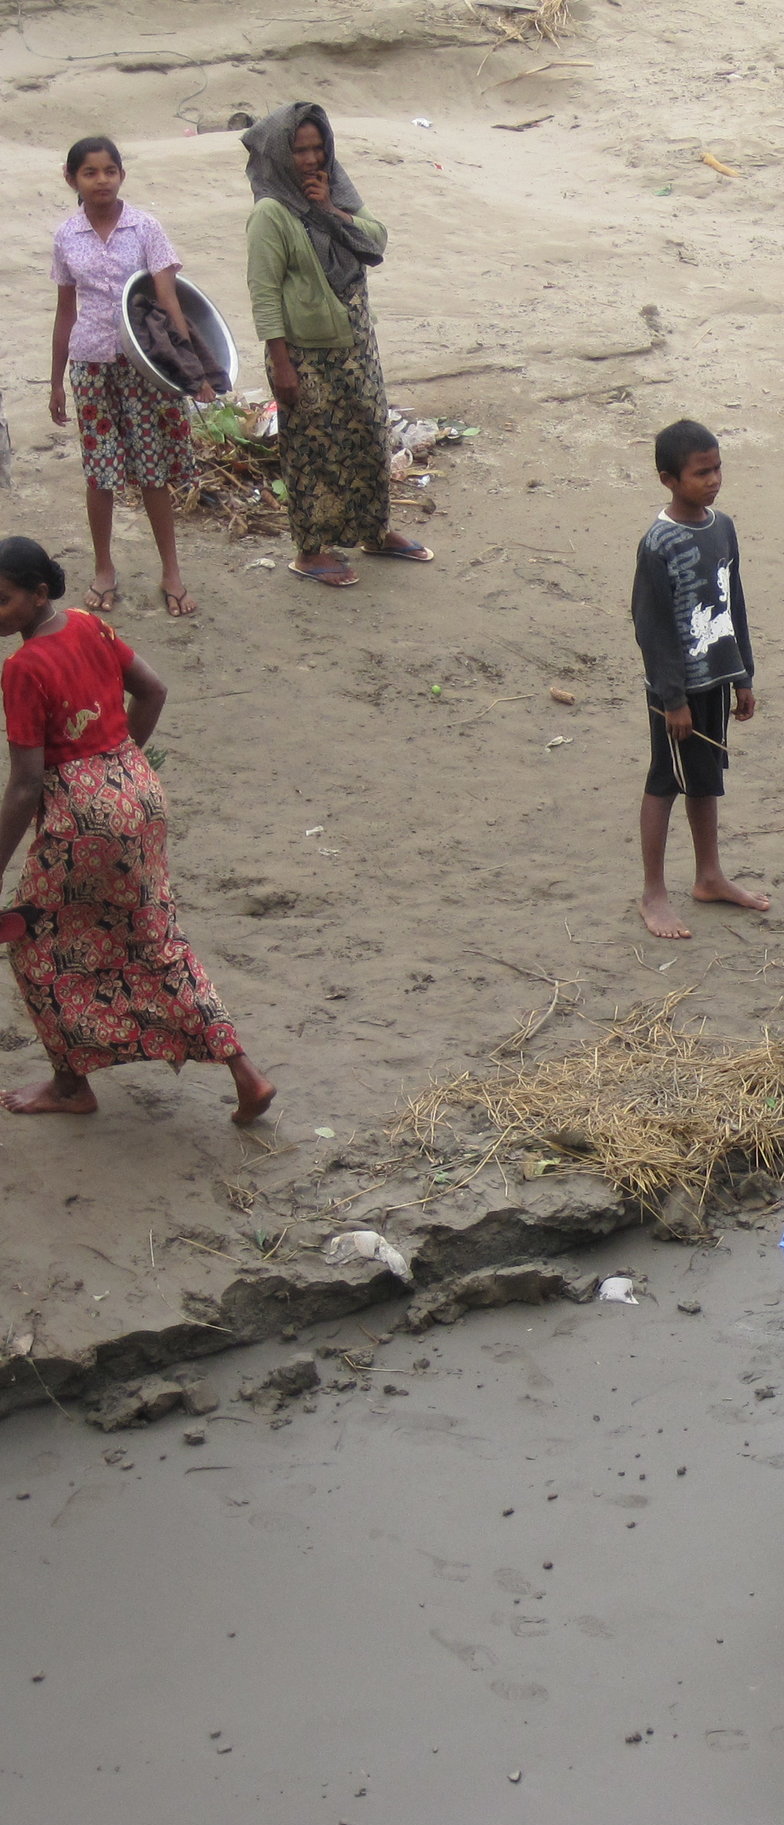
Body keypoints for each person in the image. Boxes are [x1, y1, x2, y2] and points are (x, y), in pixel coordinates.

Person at [0, 537, 273, 1123]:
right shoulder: (86, 624)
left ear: (37, 593)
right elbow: (153, 689)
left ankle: (71, 1086)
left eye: (1, 601)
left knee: (33, 940)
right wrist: (120, 764)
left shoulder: (22, 668)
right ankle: (245, 1074)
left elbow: (25, 783)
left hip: (83, 818)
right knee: (155, 936)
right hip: (139, 791)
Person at [242, 102, 429, 590]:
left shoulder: (335, 189)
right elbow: (264, 294)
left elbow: (376, 240)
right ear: (280, 153)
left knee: (368, 431)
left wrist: (328, 210)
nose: (310, 159)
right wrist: (281, 366)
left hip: (355, 343)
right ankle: (310, 550)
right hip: (304, 352)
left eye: (316, 147)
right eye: (298, 150)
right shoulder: (270, 213)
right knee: (312, 447)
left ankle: (374, 530)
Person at [47, 136, 204, 619]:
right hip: (90, 368)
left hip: (144, 369)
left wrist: (192, 368)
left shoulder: (146, 228)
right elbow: (65, 312)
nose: (102, 181)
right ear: (71, 178)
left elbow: (170, 299)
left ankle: (171, 571)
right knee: (101, 475)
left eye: (110, 171)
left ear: (122, 175)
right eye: (90, 172)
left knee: (153, 472)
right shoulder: (66, 236)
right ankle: (104, 569)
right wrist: (56, 381)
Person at [630, 419, 768, 940]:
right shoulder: (658, 544)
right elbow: (653, 628)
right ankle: (653, 893)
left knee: (705, 776)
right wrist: (672, 699)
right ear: (669, 478)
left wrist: (743, 675)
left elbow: (732, 602)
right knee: (665, 780)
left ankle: (709, 876)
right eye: (700, 472)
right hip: (677, 690)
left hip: (716, 675)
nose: (712, 480)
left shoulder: (722, 526)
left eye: (717, 469)